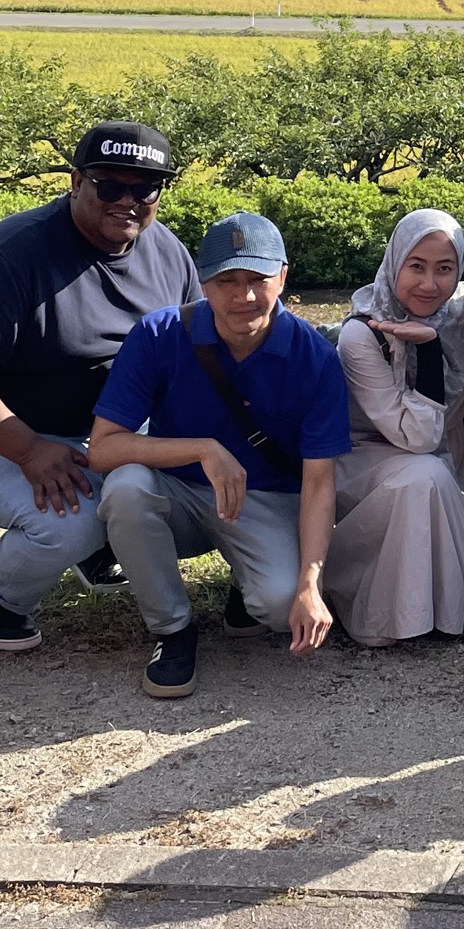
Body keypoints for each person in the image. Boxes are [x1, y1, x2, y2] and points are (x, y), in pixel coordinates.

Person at [0, 122, 200, 656]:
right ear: (75, 182)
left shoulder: (168, 252)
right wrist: (29, 448)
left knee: (184, 486)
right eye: (110, 186)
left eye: (145, 188)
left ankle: (99, 548)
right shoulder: (14, 253)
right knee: (67, 522)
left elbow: (188, 350)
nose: (128, 201)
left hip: (100, 431)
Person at [92, 213, 350, 695]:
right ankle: (172, 630)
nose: (243, 296)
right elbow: (103, 449)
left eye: (257, 279)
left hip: (268, 498)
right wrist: (203, 449)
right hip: (179, 492)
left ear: (284, 277)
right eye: (226, 280)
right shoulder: (158, 334)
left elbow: (319, 481)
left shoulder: (314, 357)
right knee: (126, 489)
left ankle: (245, 584)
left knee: (279, 610)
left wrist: (309, 586)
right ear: (202, 281)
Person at [324, 208, 464, 647]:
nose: (429, 284)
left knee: (431, 473)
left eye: (445, 269)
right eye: (415, 266)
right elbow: (416, 438)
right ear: (394, 261)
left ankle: (440, 604)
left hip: (447, 450)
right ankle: (383, 615)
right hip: (365, 457)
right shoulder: (364, 333)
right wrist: (431, 352)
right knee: (423, 476)